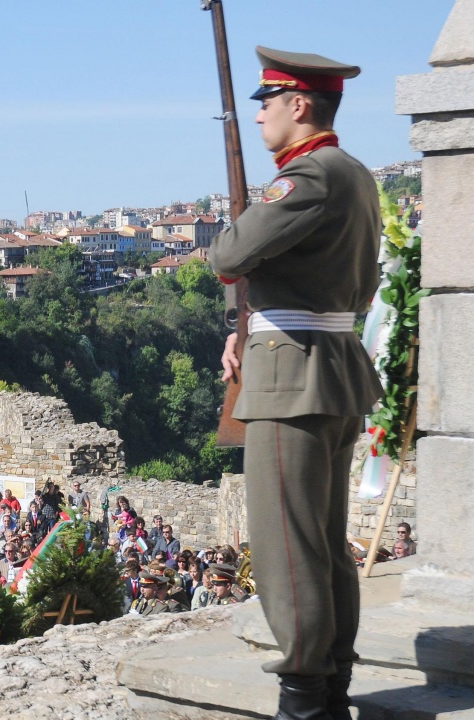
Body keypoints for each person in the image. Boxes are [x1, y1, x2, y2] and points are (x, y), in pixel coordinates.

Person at [209, 46, 380, 720]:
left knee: (286, 546)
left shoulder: (307, 177)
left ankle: (304, 696)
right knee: (324, 542)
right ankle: (330, 683)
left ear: (299, 105)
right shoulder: (357, 174)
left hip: (292, 373)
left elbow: (229, 253)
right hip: (331, 359)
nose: (259, 118)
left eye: (267, 103)